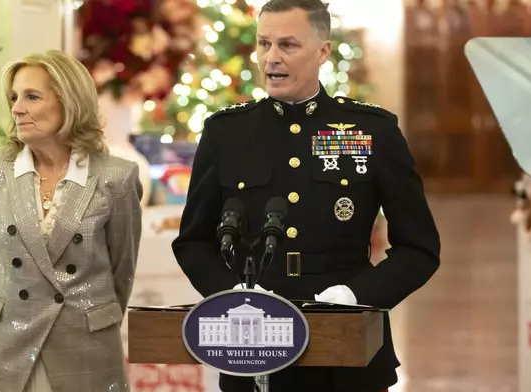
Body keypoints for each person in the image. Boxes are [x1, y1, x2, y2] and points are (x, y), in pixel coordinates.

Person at [171, 0, 440, 391]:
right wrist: (232, 295)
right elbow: (194, 241)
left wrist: (355, 296)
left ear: (323, 51)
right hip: (254, 350)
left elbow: (420, 248)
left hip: (348, 348)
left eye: (288, 45)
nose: (271, 58)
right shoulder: (227, 134)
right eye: (264, 44)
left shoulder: (370, 131)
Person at [0, 49, 142, 392]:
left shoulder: (117, 177)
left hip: (85, 350)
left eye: (32, 97)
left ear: (70, 103)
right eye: (15, 97)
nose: (17, 108)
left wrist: (86, 321)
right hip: (5, 345)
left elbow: (122, 271)